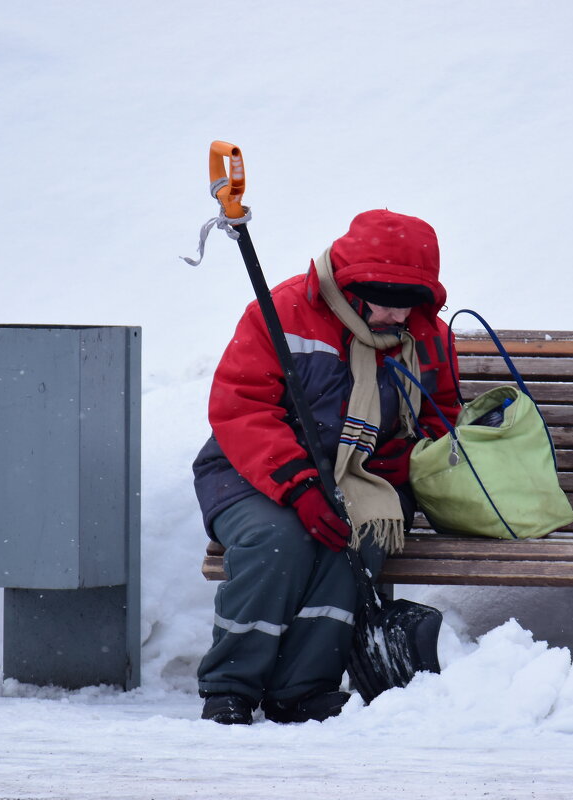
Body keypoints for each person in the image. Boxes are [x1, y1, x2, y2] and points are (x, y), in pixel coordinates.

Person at [192, 209, 461, 724]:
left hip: (370, 480)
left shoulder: (428, 337)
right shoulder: (281, 314)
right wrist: (298, 484)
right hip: (254, 472)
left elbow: (441, 418)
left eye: (410, 305)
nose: (398, 318)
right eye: (387, 304)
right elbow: (242, 406)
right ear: (353, 286)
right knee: (280, 541)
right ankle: (230, 686)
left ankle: (303, 688)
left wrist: (401, 459)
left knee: (354, 542)